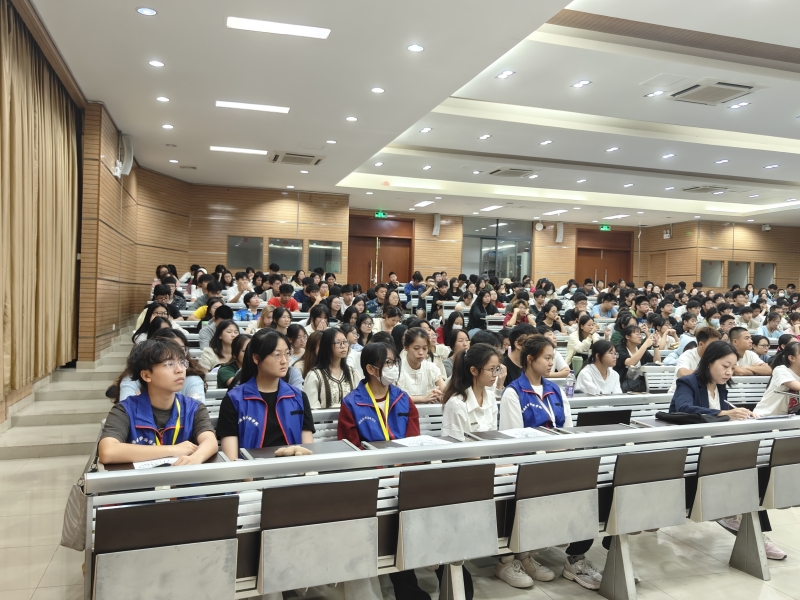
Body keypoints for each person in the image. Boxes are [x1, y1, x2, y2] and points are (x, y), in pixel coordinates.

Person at [98, 339, 218, 465]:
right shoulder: (125, 410)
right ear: (146, 376)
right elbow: (107, 451)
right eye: (169, 364)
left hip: (181, 476)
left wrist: (196, 458)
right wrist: (172, 450)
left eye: (182, 362)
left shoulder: (194, 408)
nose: (180, 369)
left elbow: (210, 441)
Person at [218, 330, 315, 459]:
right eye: (277, 355)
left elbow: (307, 450)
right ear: (256, 358)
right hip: (250, 469)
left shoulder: (298, 397)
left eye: (287, 354)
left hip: (293, 467)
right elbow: (231, 459)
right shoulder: (234, 400)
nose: (284, 361)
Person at [115, 328, 207, 403]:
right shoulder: (133, 379)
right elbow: (127, 410)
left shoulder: (192, 380)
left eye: (181, 349)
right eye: (169, 363)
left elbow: (195, 413)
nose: (180, 369)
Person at [669, 341, 753, 419]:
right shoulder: (687, 382)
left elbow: (723, 415)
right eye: (725, 366)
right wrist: (723, 413)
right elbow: (684, 409)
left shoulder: (720, 385)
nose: (729, 372)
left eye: (733, 368)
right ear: (709, 363)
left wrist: (742, 413)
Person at [441, 343, 503, 441]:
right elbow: (454, 445)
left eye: (497, 369)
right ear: (474, 371)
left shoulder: (490, 397)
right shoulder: (456, 404)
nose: (496, 374)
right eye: (491, 369)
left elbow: (493, 436)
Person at [305, 328, 357, 409]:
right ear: (327, 345)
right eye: (338, 342)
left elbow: (358, 401)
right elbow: (311, 407)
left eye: (345, 342)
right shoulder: (315, 375)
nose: (343, 346)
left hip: (349, 417)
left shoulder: (352, 373)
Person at [396, 327, 446, 403]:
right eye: (416, 348)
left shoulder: (431, 368)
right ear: (406, 347)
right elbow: (394, 396)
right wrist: (423, 398)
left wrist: (440, 396)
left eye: (424, 348)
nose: (421, 352)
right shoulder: (396, 369)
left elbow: (446, 392)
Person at [668, 327, 722, 393]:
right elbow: (683, 373)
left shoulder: (716, 356)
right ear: (701, 344)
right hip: (679, 394)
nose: (716, 348)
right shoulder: (687, 355)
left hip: (702, 394)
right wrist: (708, 373)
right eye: (712, 345)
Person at [755, 341, 800, 416]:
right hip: (764, 416)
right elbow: (797, 386)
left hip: (788, 418)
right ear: (792, 358)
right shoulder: (781, 370)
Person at [614, 325, 660, 392]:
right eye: (637, 334)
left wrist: (656, 345)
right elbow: (630, 363)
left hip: (638, 383)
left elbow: (657, 362)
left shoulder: (640, 348)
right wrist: (645, 345)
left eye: (641, 334)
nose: (640, 336)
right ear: (627, 337)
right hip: (621, 382)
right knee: (633, 385)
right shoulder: (619, 349)